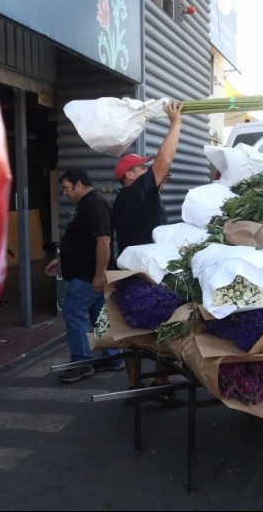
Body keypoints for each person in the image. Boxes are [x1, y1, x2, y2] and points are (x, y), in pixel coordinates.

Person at [111, 100, 184, 400]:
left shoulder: (127, 199)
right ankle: (160, 386)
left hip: (130, 271)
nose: (148, 170)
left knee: (131, 331)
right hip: (147, 274)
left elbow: (161, 173)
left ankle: (134, 386)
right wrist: (175, 123)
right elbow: (163, 165)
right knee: (163, 326)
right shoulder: (134, 195)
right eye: (142, 168)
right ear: (129, 176)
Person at [45, 169, 123, 383]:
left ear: (79, 184)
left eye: (66, 187)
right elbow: (80, 241)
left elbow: (104, 241)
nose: (65, 192)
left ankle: (81, 362)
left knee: (73, 311)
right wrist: (61, 260)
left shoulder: (94, 204)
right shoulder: (85, 205)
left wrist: (99, 275)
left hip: (88, 275)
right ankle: (112, 357)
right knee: (100, 315)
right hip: (88, 273)